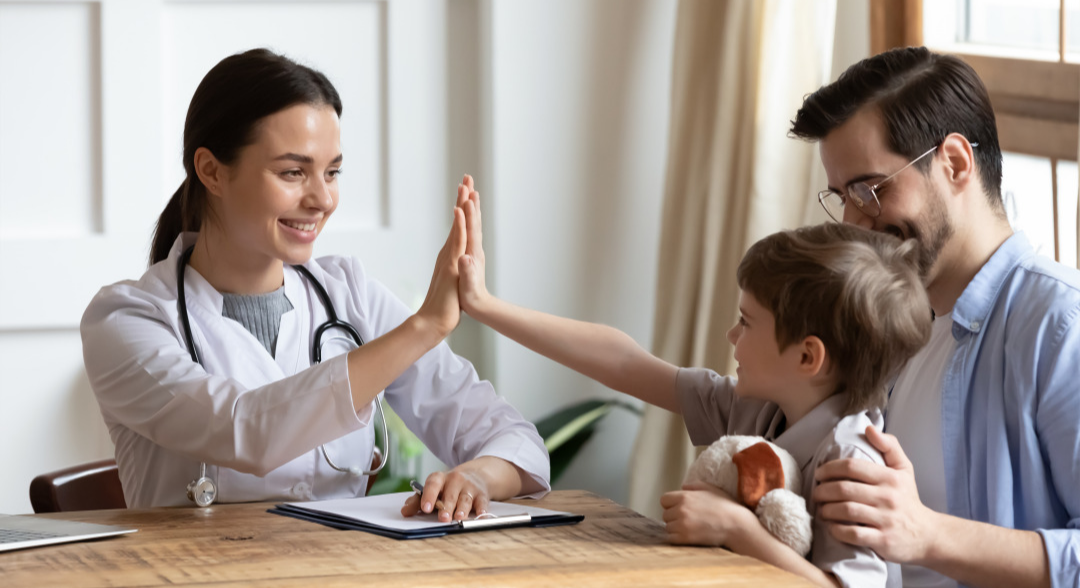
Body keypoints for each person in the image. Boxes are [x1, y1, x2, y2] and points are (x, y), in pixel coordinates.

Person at [79, 49, 549, 519]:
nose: (323, 199)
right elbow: (245, 431)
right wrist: (424, 326)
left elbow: (515, 441)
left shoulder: (351, 296)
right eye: (292, 172)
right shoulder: (125, 320)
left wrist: (477, 477)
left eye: (332, 172)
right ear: (211, 171)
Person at [449, 183, 931, 587]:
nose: (732, 336)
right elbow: (622, 361)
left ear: (808, 356)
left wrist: (738, 530)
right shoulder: (755, 409)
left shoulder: (853, 463)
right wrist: (486, 305)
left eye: (746, 322)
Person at [790, 46, 1080, 588]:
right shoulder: (893, 324)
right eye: (841, 196)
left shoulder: (1060, 325)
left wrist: (928, 535)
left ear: (954, 163)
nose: (853, 223)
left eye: (870, 190)